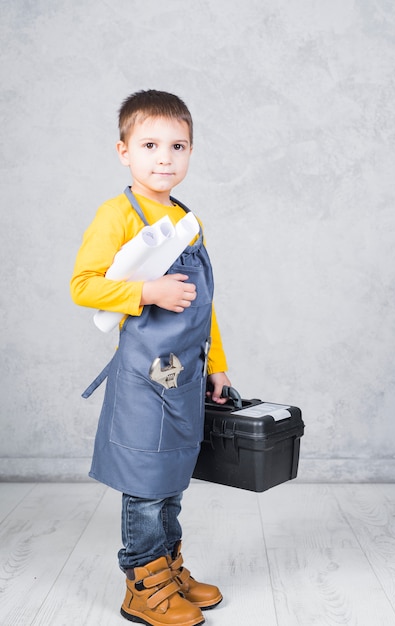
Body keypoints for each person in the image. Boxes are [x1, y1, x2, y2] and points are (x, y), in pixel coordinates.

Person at [70, 89, 231, 626]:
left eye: (178, 145)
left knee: (171, 478)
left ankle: (169, 568)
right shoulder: (117, 214)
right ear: (124, 152)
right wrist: (147, 292)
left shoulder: (188, 219)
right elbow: (84, 285)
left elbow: (204, 306)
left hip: (183, 377)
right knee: (144, 482)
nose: (165, 158)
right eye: (151, 144)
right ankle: (143, 582)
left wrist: (217, 364)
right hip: (144, 379)